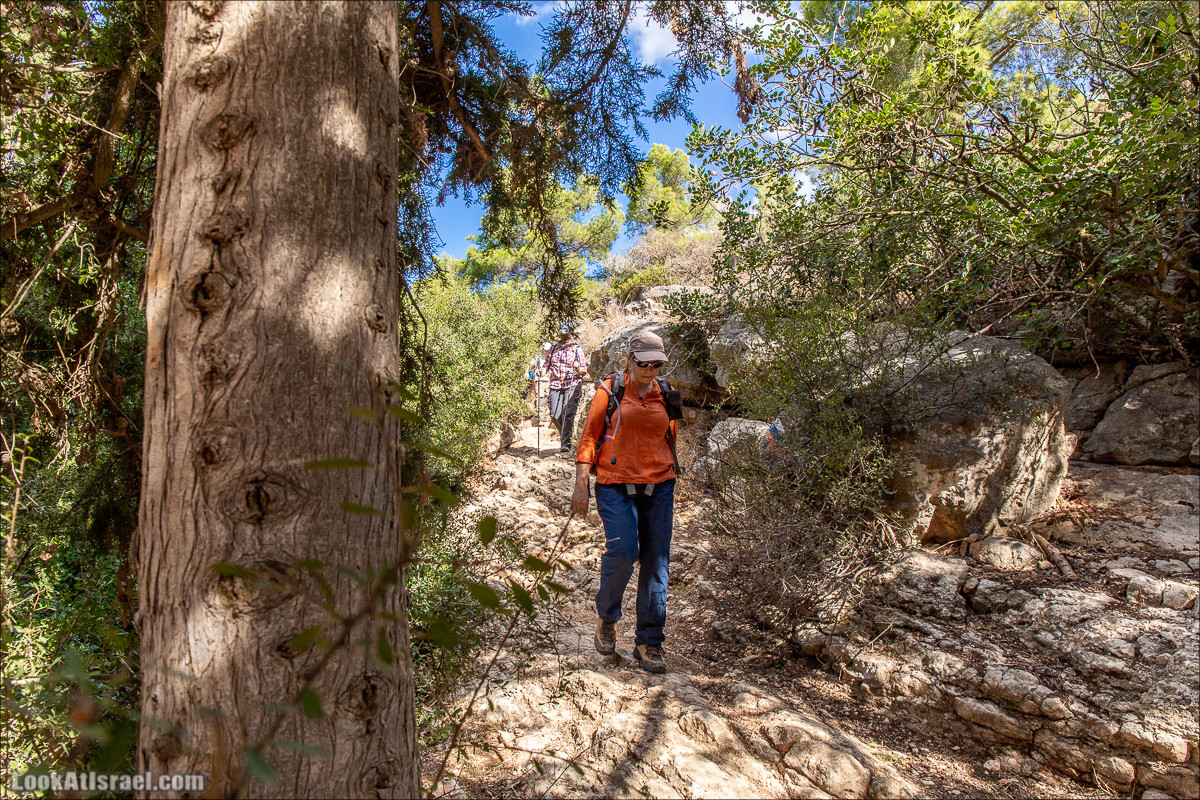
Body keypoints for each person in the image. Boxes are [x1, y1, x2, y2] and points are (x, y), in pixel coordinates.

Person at [571, 330, 678, 674]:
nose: (650, 370)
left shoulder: (667, 393)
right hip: (615, 484)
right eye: (644, 363)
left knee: (656, 562)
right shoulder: (610, 390)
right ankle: (607, 618)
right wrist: (581, 485)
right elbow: (589, 437)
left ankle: (650, 641)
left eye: (657, 364)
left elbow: (670, 438)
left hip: (659, 485)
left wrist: (667, 471)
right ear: (630, 359)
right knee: (623, 551)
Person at [546, 321, 587, 453]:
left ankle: (566, 442)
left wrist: (577, 367)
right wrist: (541, 372)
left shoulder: (577, 349)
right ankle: (564, 435)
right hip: (555, 384)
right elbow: (546, 365)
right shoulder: (553, 348)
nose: (563, 336)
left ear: (570, 333)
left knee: (567, 414)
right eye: (561, 333)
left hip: (572, 384)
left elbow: (584, 370)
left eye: (565, 334)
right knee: (554, 414)